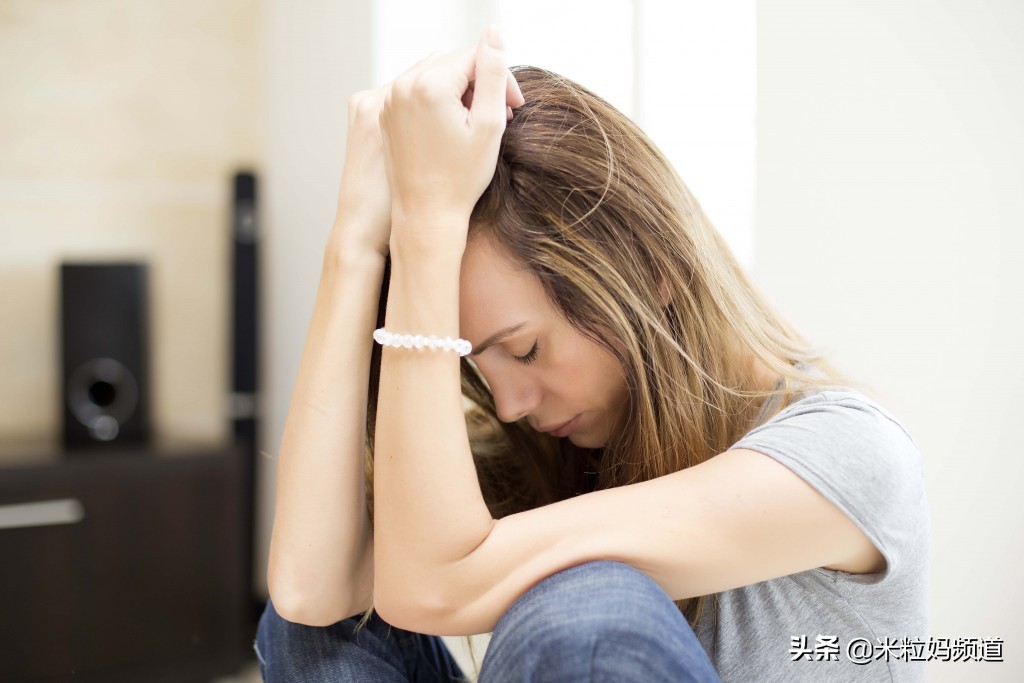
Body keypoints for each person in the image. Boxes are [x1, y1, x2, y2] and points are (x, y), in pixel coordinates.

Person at [255, 27, 929, 682]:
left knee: (588, 607)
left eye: (523, 347)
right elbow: (310, 587)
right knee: (322, 623)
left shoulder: (848, 452)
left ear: (649, 269)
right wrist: (354, 243)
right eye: (477, 367)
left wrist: (426, 229)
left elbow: (436, 585)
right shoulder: (560, 454)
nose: (511, 405)